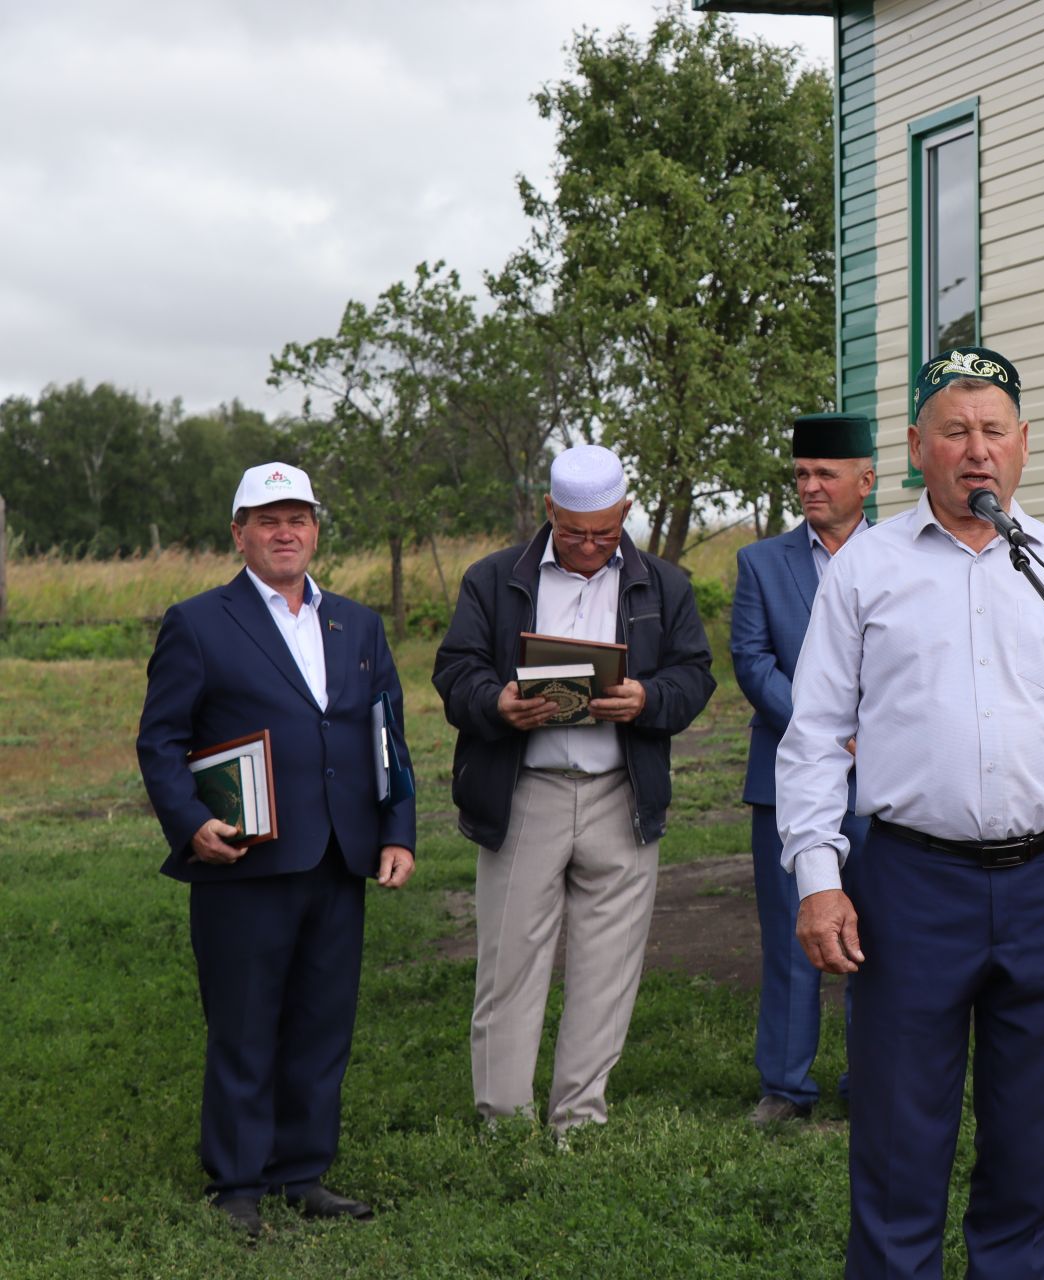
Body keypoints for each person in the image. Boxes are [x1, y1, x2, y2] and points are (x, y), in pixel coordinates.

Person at [777, 348, 1044, 1279]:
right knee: (896, 1139)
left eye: (993, 431)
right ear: (917, 448)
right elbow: (813, 737)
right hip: (911, 885)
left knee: (1033, 1143)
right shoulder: (867, 570)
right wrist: (818, 879)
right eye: (954, 431)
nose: (976, 451)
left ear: (1025, 447)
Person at [135, 461, 416, 1240]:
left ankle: (302, 1172)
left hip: (338, 857)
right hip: (244, 861)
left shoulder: (356, 623)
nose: (285, 531)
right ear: (239, 533)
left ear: (316, 529)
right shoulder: (198, 621)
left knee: (323, 1023)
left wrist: (397, 830)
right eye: (267, 519)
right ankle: (237, 1182)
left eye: (298, 517)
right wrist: (190, 821)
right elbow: (160, 741)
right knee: (246, 1022)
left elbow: (385, 733)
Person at [432, 444, 715, 1138]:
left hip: (623, 792)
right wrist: (498, 703)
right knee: (509, 962)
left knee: (608, 966)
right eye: (574, 532)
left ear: (625, 513)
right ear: (549, 511)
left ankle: (579, 1120)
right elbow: (455, 668)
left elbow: (696, 675)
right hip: (527, 790)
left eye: (605, 532)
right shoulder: (494, 580)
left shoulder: (665, 585)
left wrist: (647, 697)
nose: (590, 546)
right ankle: (502, 1118)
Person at [732, 413, 875, 1127]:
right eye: (801, 476)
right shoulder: (762, 563)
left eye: (824, 474)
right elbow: (753, 662)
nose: (810, 487)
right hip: (788, 778)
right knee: (794, 930)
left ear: (866, 480)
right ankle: (785, 1088)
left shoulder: (904, 558)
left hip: (886, 781)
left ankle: (871, 1078)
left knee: (877, 932)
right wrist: (826, 728)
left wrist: (870, 735)